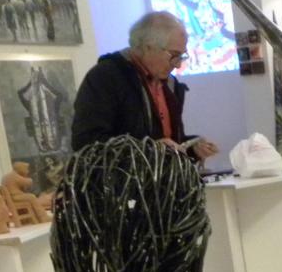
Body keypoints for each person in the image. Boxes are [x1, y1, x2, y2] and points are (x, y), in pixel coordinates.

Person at [72, 11, 219, 161]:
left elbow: (168, 142)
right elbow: (86, 143)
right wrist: (148, 150)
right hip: (123, 176)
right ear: (148, 47)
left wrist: (192, 148)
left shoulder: (170, 84)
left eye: (182, 56)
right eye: (174, 55)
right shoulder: (105, 78)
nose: (178, 64)